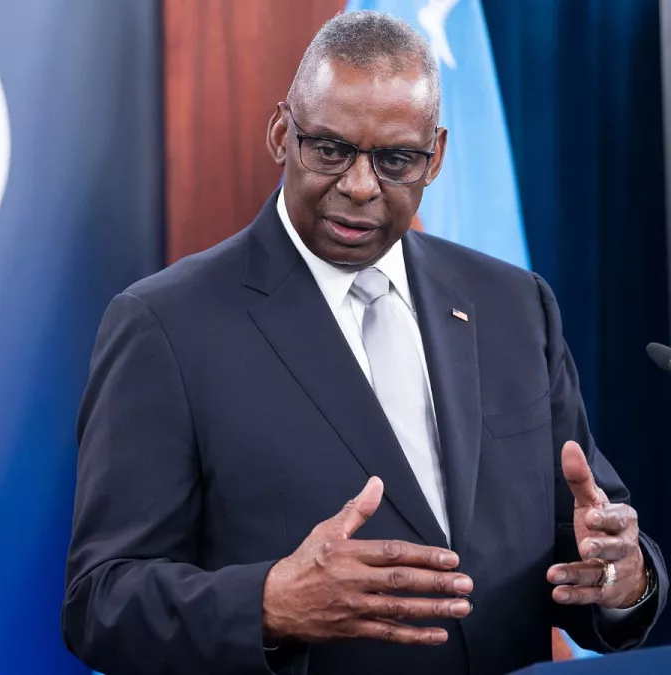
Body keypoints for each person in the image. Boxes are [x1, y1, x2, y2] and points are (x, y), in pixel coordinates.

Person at [61, 11, 667, 675]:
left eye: (395, 160)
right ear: (281, 134)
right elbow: (101, 601)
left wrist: (624, 580)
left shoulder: (515, 305)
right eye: (329, 150)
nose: (358, 186)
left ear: (435, 157)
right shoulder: (165, 324)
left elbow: (589, 534)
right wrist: (268, 603)